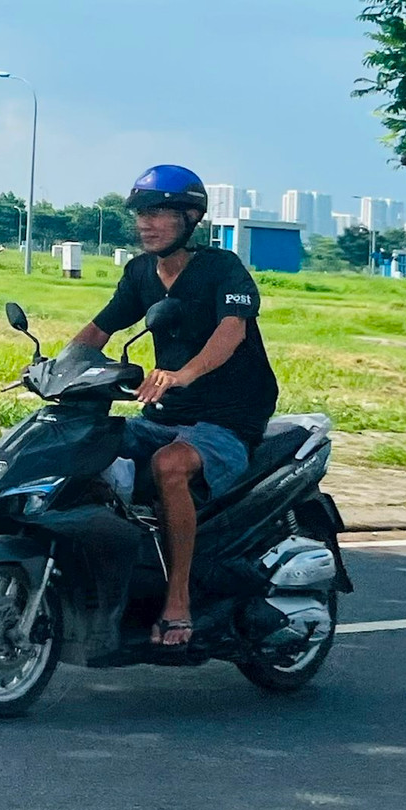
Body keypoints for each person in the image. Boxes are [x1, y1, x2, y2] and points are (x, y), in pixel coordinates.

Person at [68, 165, 278, 647]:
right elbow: (102, 328)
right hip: (166, 414)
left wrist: (184, 374)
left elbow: (232, 331)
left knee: (169, 466)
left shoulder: (222, 268)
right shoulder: (140, 272)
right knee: (87, 444)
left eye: (160, 212)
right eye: (142, 213)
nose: (147, 223)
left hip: (229, 416)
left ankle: (178, 600)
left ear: (191, 217)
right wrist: (57, 368)